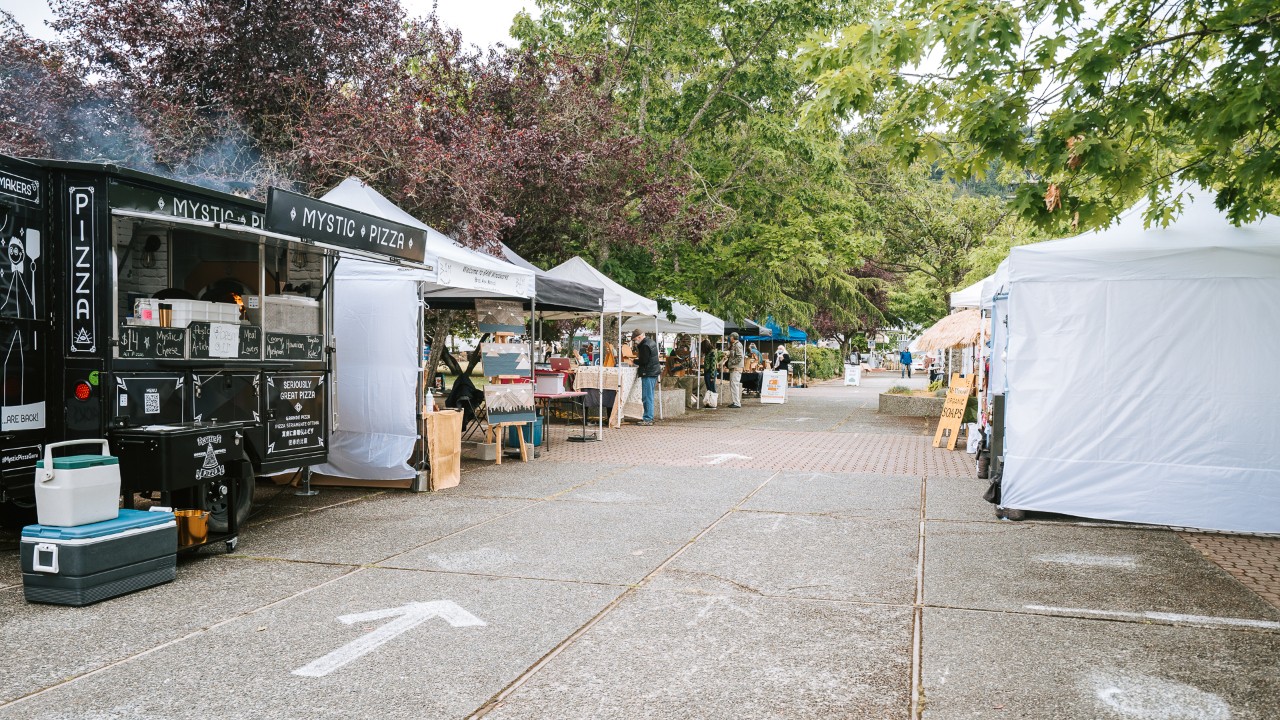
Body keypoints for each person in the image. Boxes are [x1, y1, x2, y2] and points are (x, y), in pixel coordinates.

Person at [632, 329, 661, 425]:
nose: (635, 342)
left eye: (635, 339)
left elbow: (644, 361)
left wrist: (633, 361)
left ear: (639, 337)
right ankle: (649, 417)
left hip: (648, 373)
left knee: (647, 397)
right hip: (653, 372)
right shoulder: (651, 342)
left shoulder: (644, 345)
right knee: (650, 396)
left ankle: (648, 418)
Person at [725, 332, 744, 408]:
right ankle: (735, 401)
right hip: (734, 368)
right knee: (733, 385)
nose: (730, 338)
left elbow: (739, 357)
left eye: (731, 337)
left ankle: (737, 403)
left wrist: (732, 362)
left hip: (736, 368)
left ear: (733, 337)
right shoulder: (734, 345)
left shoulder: (738, 345)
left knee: (734, 385)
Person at [700, 338, 718, 408]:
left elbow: (713, 365)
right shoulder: (709, 352)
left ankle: (713, 403)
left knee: (712, 388)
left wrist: (712, 376)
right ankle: (710, 402)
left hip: (710, 372)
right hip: (707, 372)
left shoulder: (712, 352)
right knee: (709, 388)